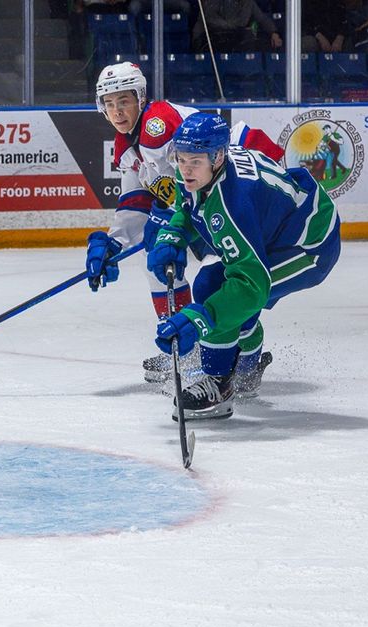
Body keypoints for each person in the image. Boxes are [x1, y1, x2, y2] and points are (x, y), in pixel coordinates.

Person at [82, 61, 285, 384]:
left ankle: (238, 354)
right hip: (217, 193)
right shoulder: (127, 146)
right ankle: (187, 343)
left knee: (233, 275)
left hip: (247, 181)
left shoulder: (156, 127)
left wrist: (163, 225)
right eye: (109, 103)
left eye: (124, 101)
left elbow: (186, 184)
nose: (117, 111)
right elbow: (137, 201)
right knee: (159, 262)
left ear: (140, 99)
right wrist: (112, 243)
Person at [149, 112, 341, 419]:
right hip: (276, 233)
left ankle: (218, 381)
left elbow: (252, 286)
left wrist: (202, 317)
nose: (185, 169)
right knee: (216, 287)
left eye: (194, 161)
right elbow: (187, 204)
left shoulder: (232, 204)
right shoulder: (200, 171)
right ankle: (248, 368)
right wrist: (174, 234)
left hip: (309, 247)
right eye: (180, 159)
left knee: (218, 289)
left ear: (218, 156)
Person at [191, 0, 282, 53]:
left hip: (234, 38)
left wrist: (273, 33)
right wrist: (234, 26)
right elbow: (210, 19)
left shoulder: (247, 2)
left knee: (255, 41)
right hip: (213, 38)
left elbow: (262, 19)